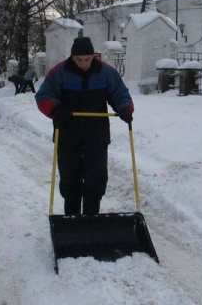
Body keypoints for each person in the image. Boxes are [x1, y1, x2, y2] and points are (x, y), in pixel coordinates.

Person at [35, 37, 134, 215]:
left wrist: (125, 108)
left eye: (87, 59)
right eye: (79, 60)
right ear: (72, 58)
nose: (83, 64)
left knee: (96, 179)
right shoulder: (59, 73)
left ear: (93, 56)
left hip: (97, 135)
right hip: (67, 133)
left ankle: (91, 218)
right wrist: (55, 109)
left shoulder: (106, 73)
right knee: (70, 179)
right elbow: (43, 96)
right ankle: (71, 217)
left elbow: (120, 93)